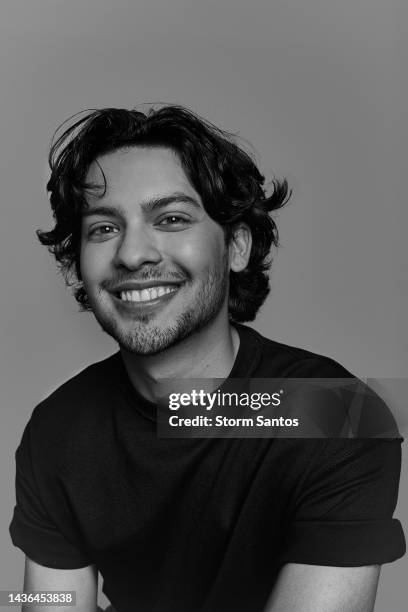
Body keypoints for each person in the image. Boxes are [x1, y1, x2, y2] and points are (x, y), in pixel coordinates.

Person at [10, 105, 405, 612]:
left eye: (171, 219)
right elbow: (49, 602)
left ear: (236, 246)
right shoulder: (60, 430)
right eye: (103, 228)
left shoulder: (340, 413)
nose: (133, 255)